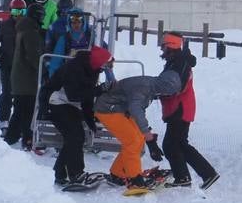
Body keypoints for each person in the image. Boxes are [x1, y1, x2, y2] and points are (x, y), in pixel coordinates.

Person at [93, 64, 182, 187]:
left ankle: (117, 173)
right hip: (107, 109)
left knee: (139, 140)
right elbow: (136, 110)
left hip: (121, 109)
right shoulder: (144, 88)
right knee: (132, 141)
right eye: (169, 94)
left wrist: (148, 137)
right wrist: (150, 140)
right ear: (165, 88)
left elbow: (139, 111)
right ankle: (135, 179)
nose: (167, 97)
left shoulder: (152, 86)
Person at [38, 46, 111, 188]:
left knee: (75, 137)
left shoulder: (92, 69)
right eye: (105, 63)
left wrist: (90, 120)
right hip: (54, 101)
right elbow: (75, 94)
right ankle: (76, 174)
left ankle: (61, 173)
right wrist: (98, 90)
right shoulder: (75, 67)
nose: (106, 67)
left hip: (69, 104)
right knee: (75, 136)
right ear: (98, 61)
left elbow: (86, 98)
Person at [157, 34, 219, 189]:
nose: (161, 48)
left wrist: (162, 92)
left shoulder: (180, 63)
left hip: (180, 108)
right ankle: (193, 176)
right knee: (176, 144)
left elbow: (178, 86)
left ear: (171, 45)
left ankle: (200, 175)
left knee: (173, 144)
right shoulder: (176, 62)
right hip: (178, 107)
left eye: (163, 45)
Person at [3, 0, 45, 150]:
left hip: (21, 77)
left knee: (20, 109)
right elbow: (33, 56)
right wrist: (43, 70)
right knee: (27, 110)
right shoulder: (31, 32)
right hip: (27, 79)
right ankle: (27, 139)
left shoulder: (24, 28)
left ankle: (11, 137)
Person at [0, 0, 23, 123]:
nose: (18, 15)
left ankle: (19, 120)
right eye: (15, 11)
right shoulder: (4, 26)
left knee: (21, 94)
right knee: (7, 92)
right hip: (7, 64)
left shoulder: (28, 27)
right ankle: (4, 119)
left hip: (23, 67)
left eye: (21, 12)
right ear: (10, 11)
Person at [44, 8, 92, 77]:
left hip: (87, 71)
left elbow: (102, 52)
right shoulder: (65, 39)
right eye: (73, 23)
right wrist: (53, 78)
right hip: (71, 72)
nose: (76, 25)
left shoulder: (89, 37)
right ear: (69, 23)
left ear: (83, 23)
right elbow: (56, 60)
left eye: (79, 22)